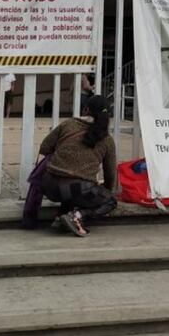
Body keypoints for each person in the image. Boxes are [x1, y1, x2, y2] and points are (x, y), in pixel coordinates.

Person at [38, 94, 118, 237]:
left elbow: (44, 147)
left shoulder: (68, 124)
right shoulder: (107, 140)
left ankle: (61, 218)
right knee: (110, 201)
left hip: (48, 184)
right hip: (77, 189)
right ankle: (77, 216)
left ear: (86, 109)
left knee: (74, 191)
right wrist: (106, 191)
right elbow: (110, 174)